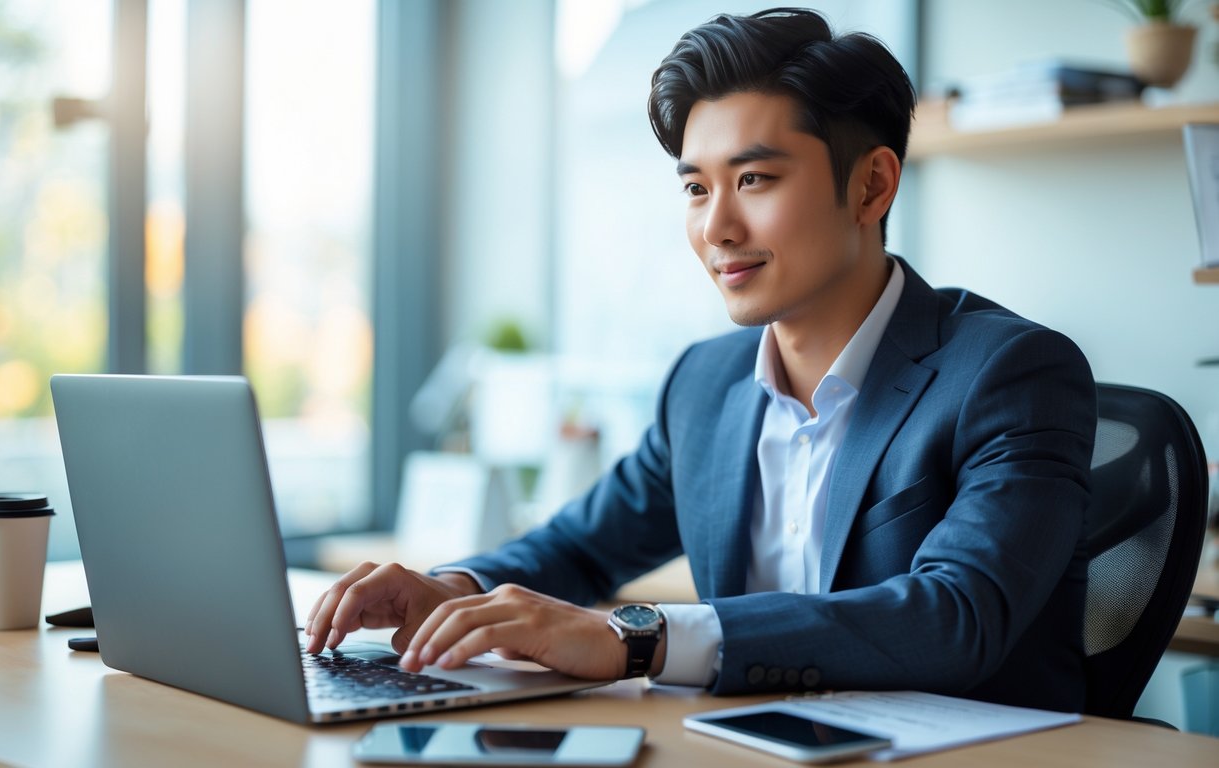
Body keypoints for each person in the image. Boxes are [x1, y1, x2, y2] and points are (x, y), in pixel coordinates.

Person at [305, 7, 1096, 712]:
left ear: (870, 187)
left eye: (753, 179)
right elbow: (581, 547)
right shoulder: (705, 382)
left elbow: (954, 615)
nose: (716, 228)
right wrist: (451, 589)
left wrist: (634, 639)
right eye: (694, 188)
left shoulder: (1012, 373)